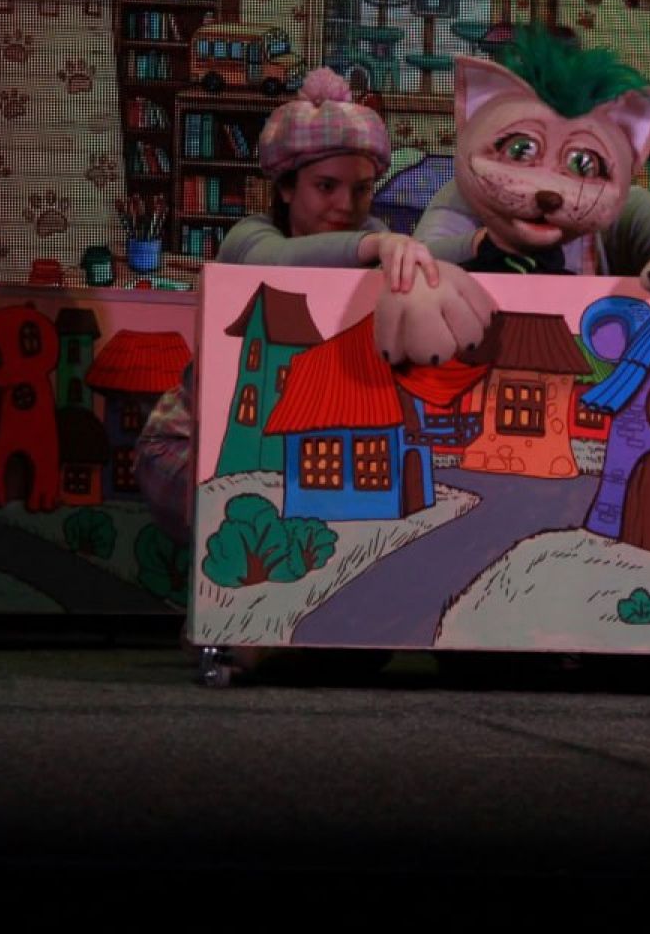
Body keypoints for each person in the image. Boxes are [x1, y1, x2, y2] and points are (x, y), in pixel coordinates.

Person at [133, 69, 433, 678]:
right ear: (287, 187)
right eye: (326, 186)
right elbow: (277, 262)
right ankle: (234, 621)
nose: (345, 205)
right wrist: (373, 248)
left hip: (304, 432)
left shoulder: (373, 237)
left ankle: (298, 629)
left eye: (361, 189)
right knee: (254, 504)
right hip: (187, 444)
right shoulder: (253, 237)